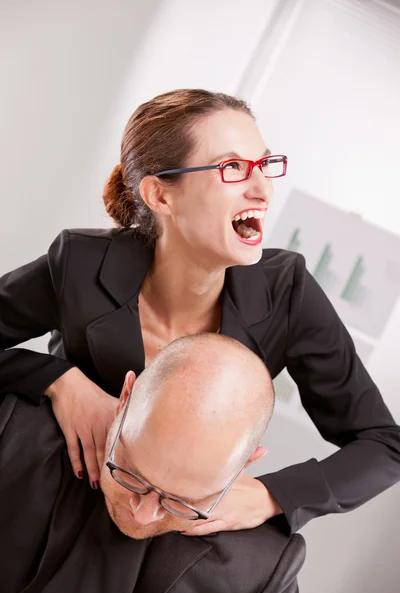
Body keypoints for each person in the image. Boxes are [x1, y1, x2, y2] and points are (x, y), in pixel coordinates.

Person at [0, 88, 399, 538]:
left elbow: (384, 446)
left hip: (172, 538)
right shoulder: (80, 261)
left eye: (264, 165)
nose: (263, 189)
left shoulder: (287, 290)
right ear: (161, 196)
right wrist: (57, 380)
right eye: (232, 168)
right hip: (41, 497)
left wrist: (272, 496)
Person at [0, 334, 306, 593]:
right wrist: (56, 377)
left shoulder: (263, 575)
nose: (143, 515)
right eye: (130, 473)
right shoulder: (11, 429)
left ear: (245, 465)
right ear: (124, 399)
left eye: (182, 500)